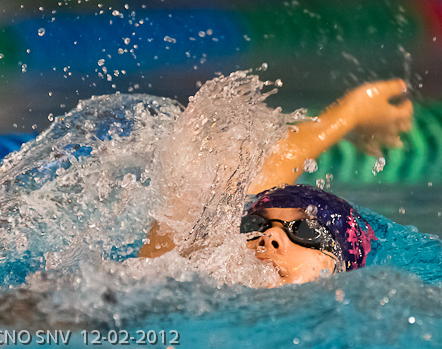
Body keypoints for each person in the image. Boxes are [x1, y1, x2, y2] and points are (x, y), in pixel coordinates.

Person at [138, 78, 413, 286]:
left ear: (340, 265)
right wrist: (350, 113)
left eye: (305, 230)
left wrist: (351, 113)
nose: (269, 237)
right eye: (254, 225)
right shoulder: (169, 282)